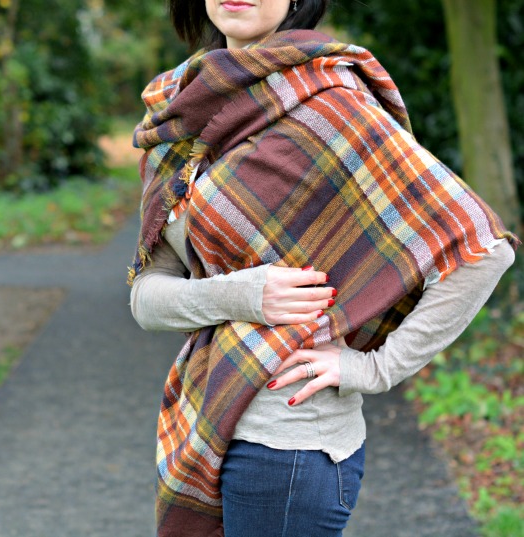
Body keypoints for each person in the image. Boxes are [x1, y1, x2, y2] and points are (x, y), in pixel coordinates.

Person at [127, 1, 519, 536]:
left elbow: (484, 249)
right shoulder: (180, 110)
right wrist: (242, 294)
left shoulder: (333, 105)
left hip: (287, 448)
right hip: (202, 421)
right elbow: (147, 297)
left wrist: (373, 369)